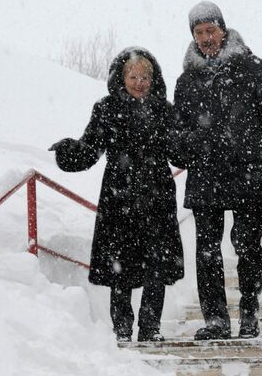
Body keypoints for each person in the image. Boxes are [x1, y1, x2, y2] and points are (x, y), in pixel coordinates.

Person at [173, 1, 262, 340]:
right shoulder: (186, 82)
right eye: (199, 33)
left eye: (210, 30)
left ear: (223, 30)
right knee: (207, 251)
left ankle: (249, 312)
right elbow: (177, 138)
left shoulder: (255, 69)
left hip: (247, 172)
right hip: (204, 175)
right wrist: (191, 142)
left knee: (247, 246)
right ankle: (215, 319)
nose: (205, 38)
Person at [50, 47, 183, 342]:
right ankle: (122, 329)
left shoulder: (165, 110)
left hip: (157, 194)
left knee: (156, 266)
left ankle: (151, 329)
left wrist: (195, 144)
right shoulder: (107, 108)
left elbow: (178, 153)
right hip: (119, 196)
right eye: (133, 76)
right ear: (121, 77)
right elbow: (90, 149)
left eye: (145, 77)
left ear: (154, 78)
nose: (139, 82)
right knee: (119, 266)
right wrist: (67, 153)